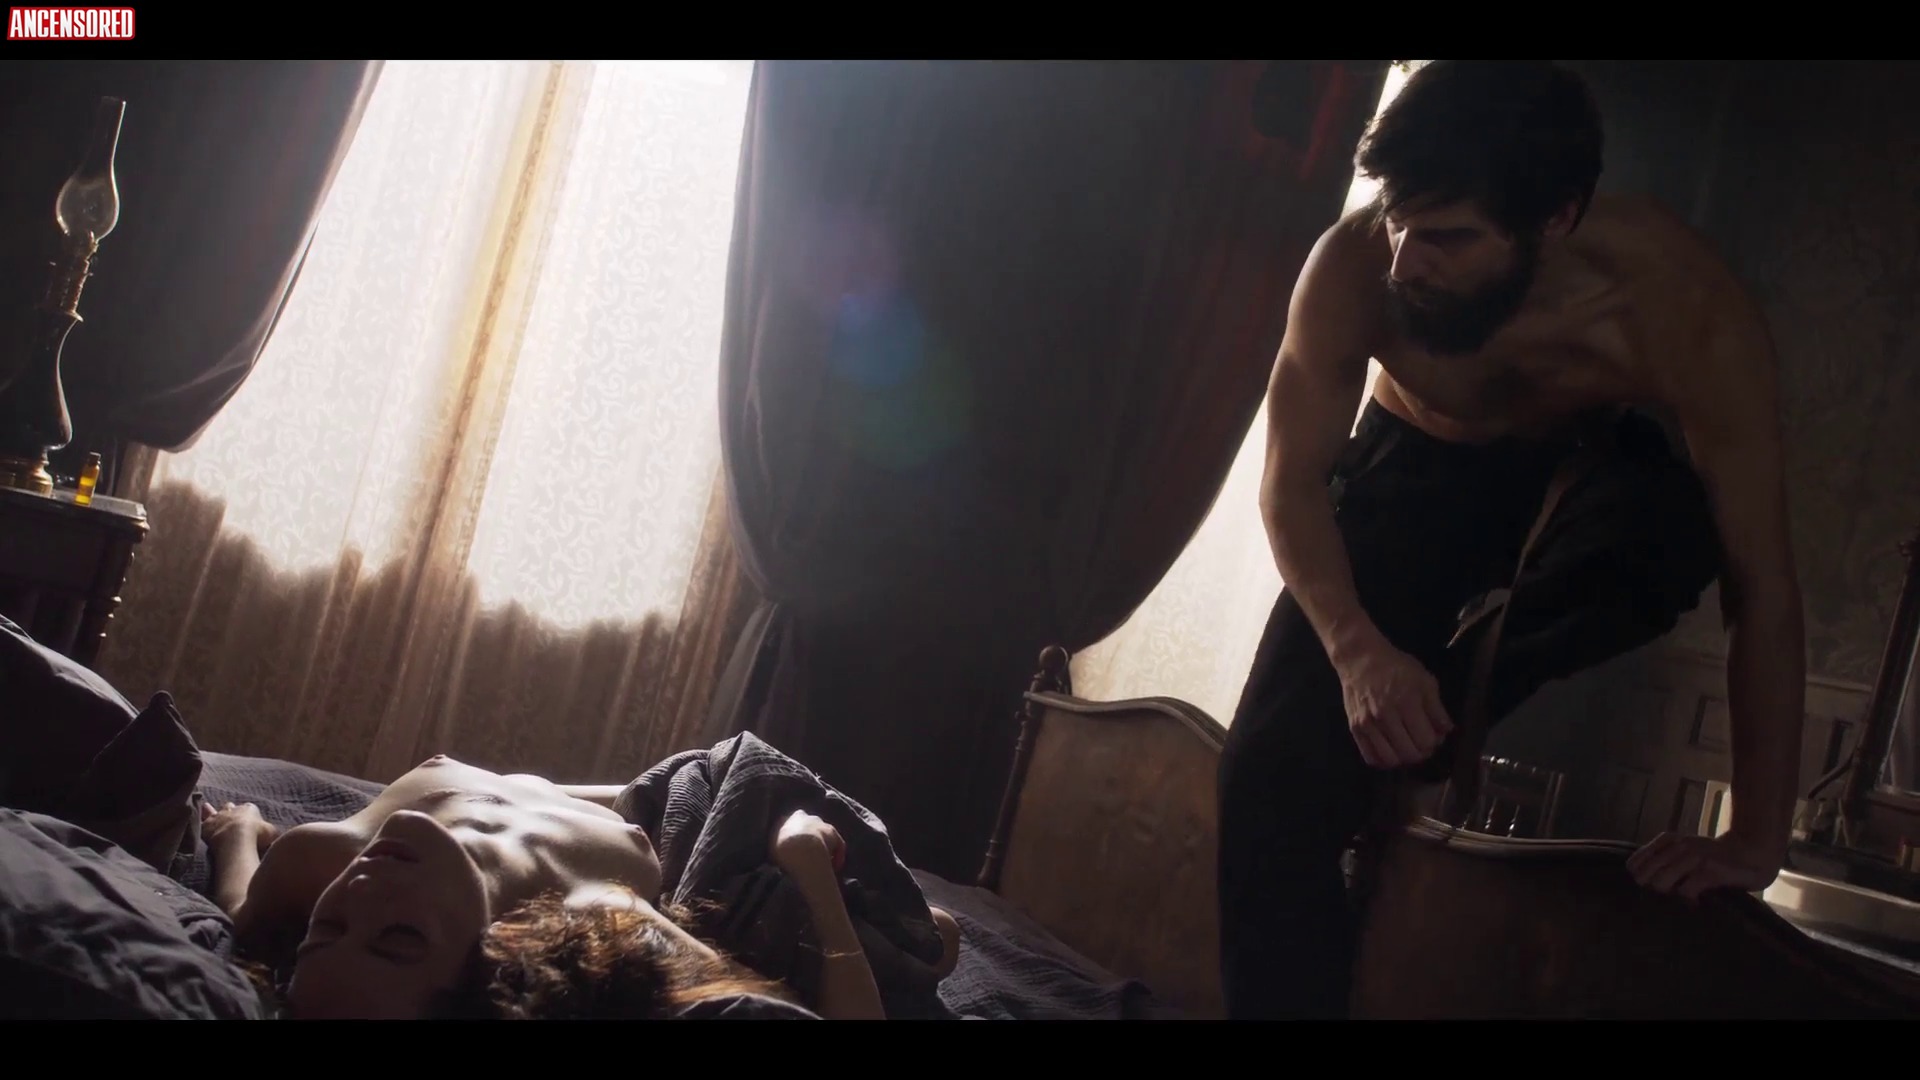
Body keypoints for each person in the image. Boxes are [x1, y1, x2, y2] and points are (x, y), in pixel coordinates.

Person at [1217, 60, 1805, 1019]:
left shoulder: (1682, 307)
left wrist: (1759, 834)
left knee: (1676, 522)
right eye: (1400, 221)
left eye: (1448, 237)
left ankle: (1428, 727)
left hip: (1567, 482)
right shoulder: (1353, 265)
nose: (1407, 261)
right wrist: (1359, 654)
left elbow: (1763, 584)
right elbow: (1288, 483)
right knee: (1265, 784)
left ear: (1556, 219)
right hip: (1405, 479)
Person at [201, 754, 962, 1019]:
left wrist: (238, 831)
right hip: (678, 817)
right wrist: (805, 866)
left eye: (329, 930)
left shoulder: (318, 861)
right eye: (400, 938)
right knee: (936, 941)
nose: (363, 896)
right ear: (480, 969)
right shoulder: (598, 918)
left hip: (616, 794)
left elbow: (240, 913)